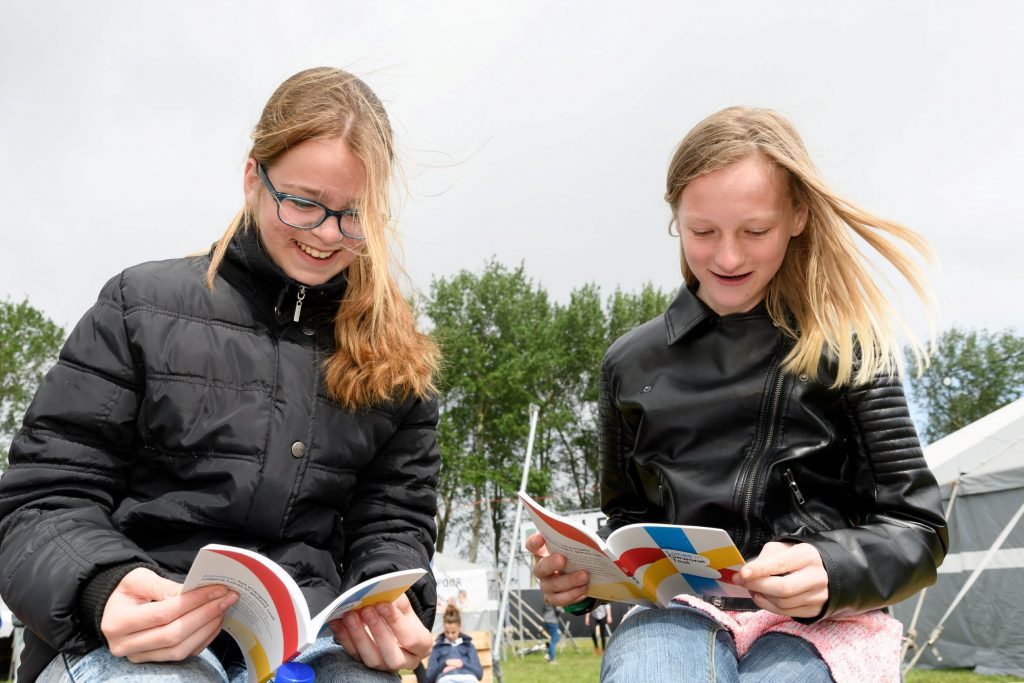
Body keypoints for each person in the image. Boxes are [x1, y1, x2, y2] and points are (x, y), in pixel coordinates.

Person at [0, 67, 441, 683]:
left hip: (312, 642)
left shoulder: (398, 360)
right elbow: (42, 498)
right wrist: (102, 584)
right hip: (143, 632)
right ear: (252, 178)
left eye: (354, 214)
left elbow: (394, 524)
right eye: (304, 203)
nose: (326, 234)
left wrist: (387, 599)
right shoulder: (139, 307)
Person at [526, 107, 947, 683]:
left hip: (820, 624)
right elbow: (626, 523)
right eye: (703, 232)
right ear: (676, 216)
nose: (727, 258)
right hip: (678, 616)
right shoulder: (627, 362)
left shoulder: (853, 347)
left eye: (755, 231)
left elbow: (919, 528)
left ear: (798, 216)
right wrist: (577, 582)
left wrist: (835, 567)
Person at [425, 605, 483, 683]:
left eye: (453, 632)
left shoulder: (469, 646)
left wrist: (462, 664)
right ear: (443, 628)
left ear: (460, 628)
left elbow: (479, 674)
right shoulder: (437, 648)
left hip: (468, 678)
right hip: (446, 679)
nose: (450, 635)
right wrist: (445, 663)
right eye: (447, 632)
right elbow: (429, 678)